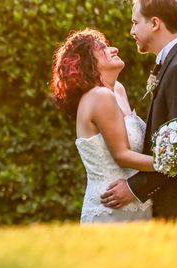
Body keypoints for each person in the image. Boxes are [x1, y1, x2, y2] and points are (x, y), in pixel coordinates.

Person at [100, 0, 177, 218]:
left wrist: (134, 188)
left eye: (135, 22)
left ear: (155, 23)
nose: (131, 31)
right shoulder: (172, 63)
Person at [51, 28, 153, 223]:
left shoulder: (118, 91)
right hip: (111, 210)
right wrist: (169, 164)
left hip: (137, 204)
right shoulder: (99, 96)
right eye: (103, 48)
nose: (114, 49)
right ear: (87, 61)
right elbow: (122, 156)